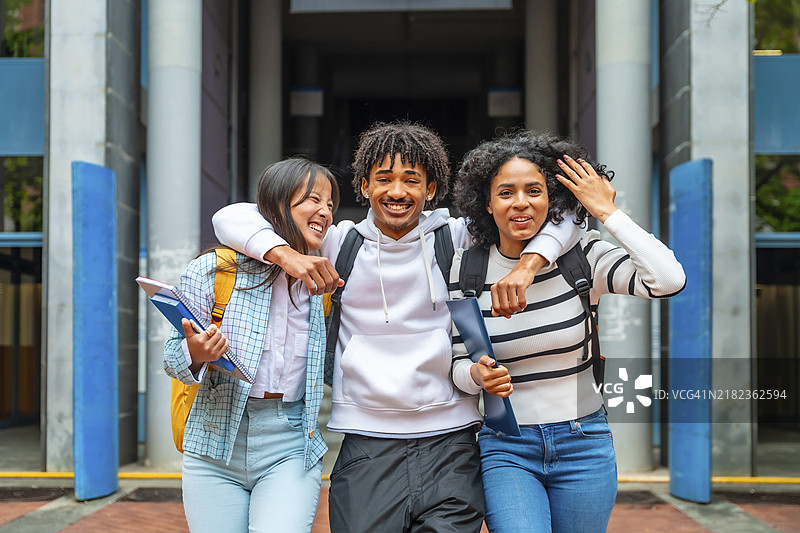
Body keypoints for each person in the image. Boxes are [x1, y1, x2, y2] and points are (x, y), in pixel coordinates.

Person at [211, 121, 582, 533]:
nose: (398, 191)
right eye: (383, 179)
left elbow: (566, 218)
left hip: (452, 440)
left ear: (431, 189)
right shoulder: (339, 243)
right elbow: (230, 216)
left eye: (412, 180)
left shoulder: (458, 238)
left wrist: (530, 265)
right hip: (366, 443)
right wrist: (287, 256)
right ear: (364, 187)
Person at [449, 130, 686, 533]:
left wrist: (607, 212)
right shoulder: (466, 268)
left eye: (534, 191)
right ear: (486, 204)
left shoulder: (585, 257)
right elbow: (457, 361)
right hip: (506, 446)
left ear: (551, 199)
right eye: (506, 193)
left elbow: (668, 280)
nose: (521, 203)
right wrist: (475, 376)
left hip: (584, 442)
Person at [163, 158, 339, 533]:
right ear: (276, 207)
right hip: (213, 440)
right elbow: (171, 359)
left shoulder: (324, 275)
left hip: (290, 441)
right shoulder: (215, 270)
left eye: (329, 203)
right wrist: (196, 353)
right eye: (312, 199)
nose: (324, 211)